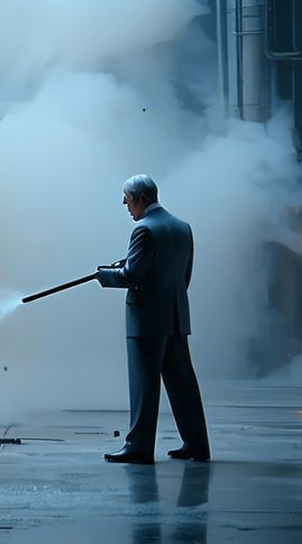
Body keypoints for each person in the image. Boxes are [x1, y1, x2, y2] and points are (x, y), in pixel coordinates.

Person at [96, 174, 210, 465]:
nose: (125, 204)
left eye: (127, 199)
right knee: (183, 383)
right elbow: (182, 276)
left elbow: (131, 276)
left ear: (141, 198)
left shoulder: (144, 230)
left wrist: (104, 275)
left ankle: (139, 447)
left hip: (146, 321)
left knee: (144, 386)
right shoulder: (182, 228)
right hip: (175, 317)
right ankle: (196, 443)